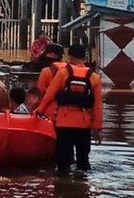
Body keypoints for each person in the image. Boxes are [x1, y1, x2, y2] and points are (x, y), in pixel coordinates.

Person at [34, 44, 103, 173]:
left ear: (69, 56)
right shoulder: (94, 77)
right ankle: (83, 187)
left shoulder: (63, 73)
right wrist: (98, 128)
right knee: (83, 162)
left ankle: (62, 187)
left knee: (63, 162)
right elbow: (97, 106)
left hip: (63, 123)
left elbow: (49, 96)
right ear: (85, 57)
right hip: (84, 124)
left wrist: (39, 111)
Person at [36, 44, 66, 119]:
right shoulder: (68, 69)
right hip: (66, 112)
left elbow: (39, 93)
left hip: (48, 111)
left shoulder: (45, 71)